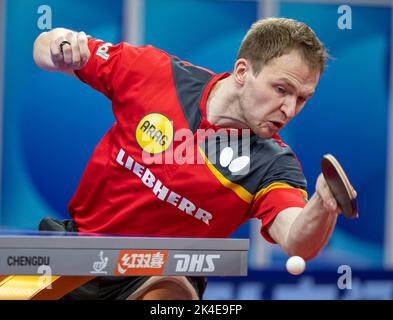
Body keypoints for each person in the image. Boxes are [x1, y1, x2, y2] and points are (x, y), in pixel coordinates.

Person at [33, 17, 356, 300]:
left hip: (161, 273)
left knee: (170, 292)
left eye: (302, 98)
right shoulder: (153, 73)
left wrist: (322, 207)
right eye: (282, 89)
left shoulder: (274, 164)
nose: (289, 109)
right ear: (243, 71)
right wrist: (60, 43)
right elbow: (44, 46)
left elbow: (297, 241)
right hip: (77, 250)